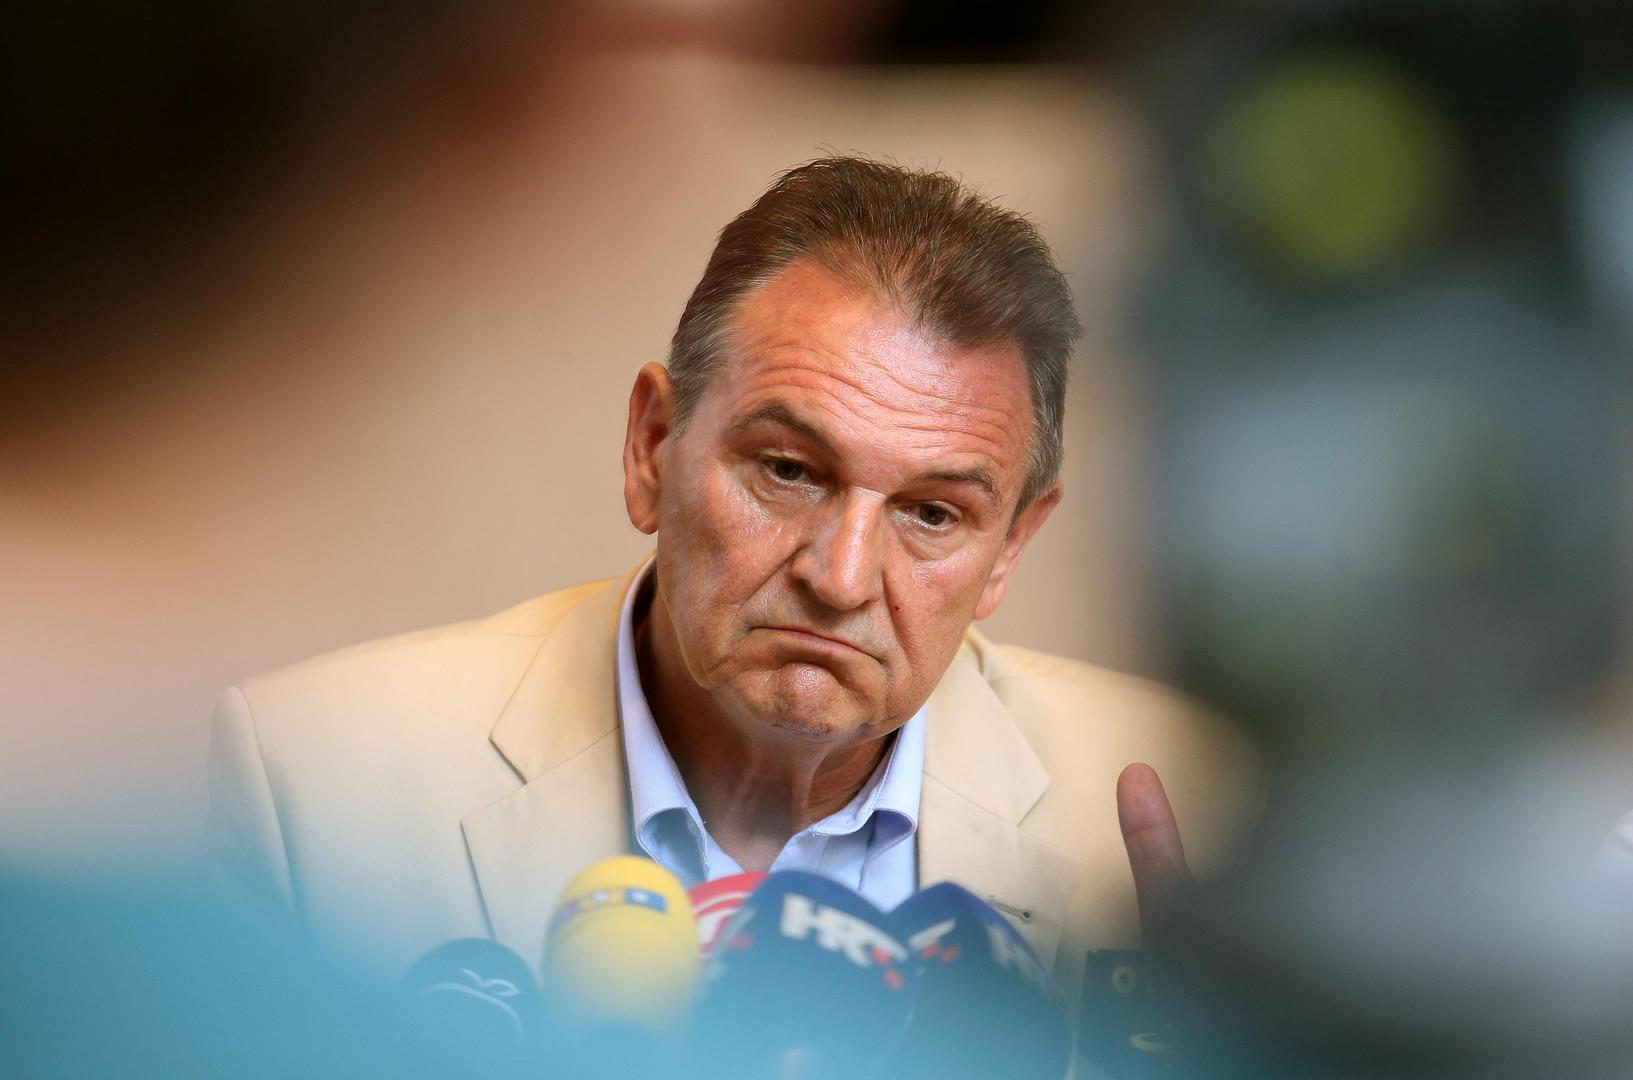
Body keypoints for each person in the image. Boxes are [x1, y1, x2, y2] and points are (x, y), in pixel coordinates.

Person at [206, 157, 1260, 1004]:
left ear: (1011, 548)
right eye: (789, 471)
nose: (840, 579)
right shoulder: (313, 785)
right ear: (650, 447)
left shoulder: (1202, 818)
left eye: (933, 514)